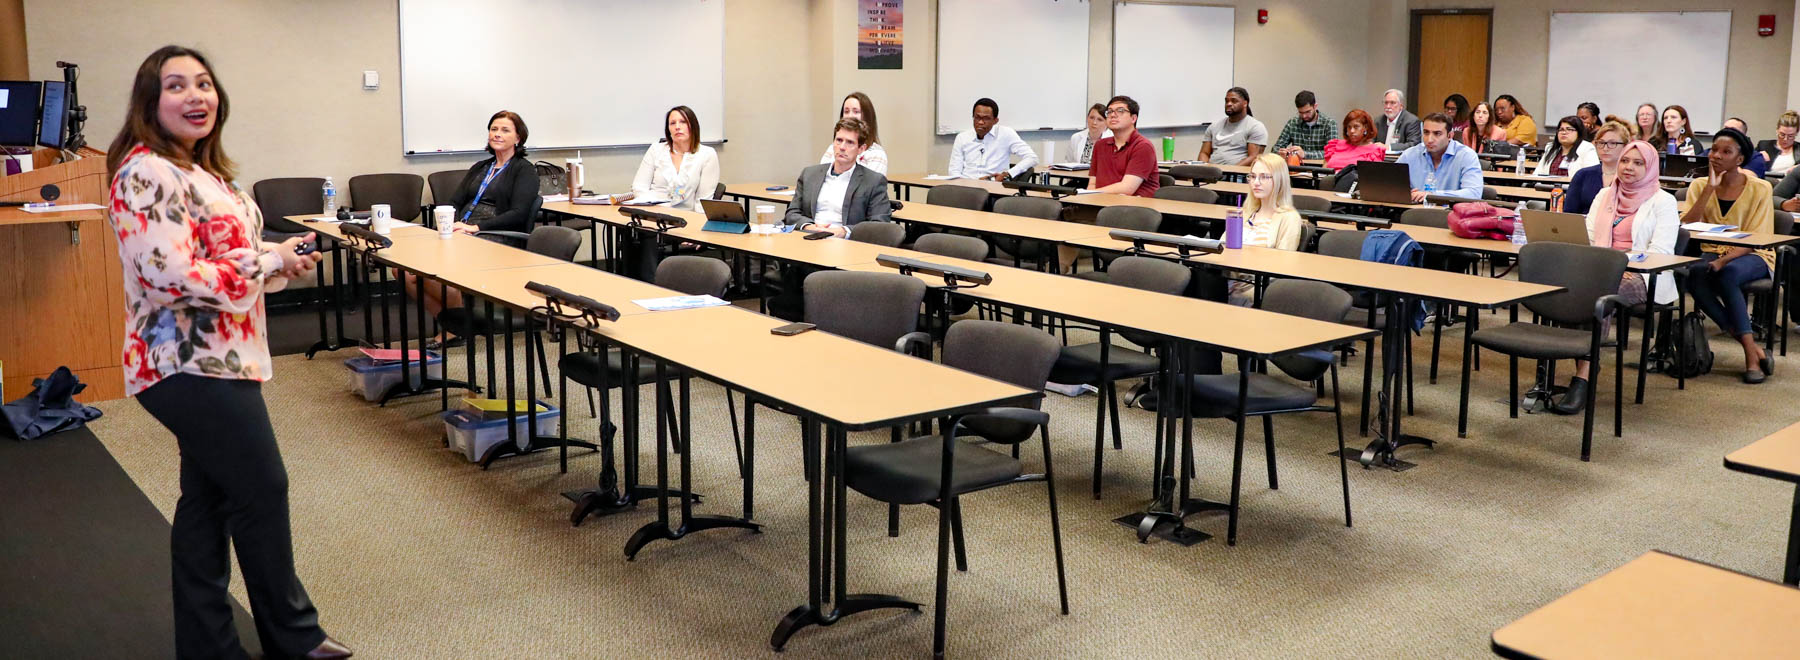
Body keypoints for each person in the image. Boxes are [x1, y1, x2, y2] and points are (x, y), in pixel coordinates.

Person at [103, 46, 349, 660]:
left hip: (226, 356)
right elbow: (171, 276)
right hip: (183, 362)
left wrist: (279, 257)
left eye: (204, 84)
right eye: (177, 86)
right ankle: (295, 637)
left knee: (207, 500)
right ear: (150, 103)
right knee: (261, 486)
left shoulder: (206, 172)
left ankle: (207, 645)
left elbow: (226, 255)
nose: (196, 96)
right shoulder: (145, 173)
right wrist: (267, 259)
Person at [1552, 139, 1679, 413]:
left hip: (1644, 275)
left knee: (1599, 292)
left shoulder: (1664, 201)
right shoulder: (1604, 195)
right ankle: (1583, 361)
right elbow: (1586, 237)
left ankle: (1582, 377)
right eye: (1624, 161)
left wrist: (1613, 262)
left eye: (1638, 163)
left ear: (1650, 167)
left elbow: (1659, 252)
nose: (1629, 168)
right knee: (1571, 287)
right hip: (1599, 268)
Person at [408, 110, 540, 347]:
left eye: (505, 130)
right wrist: (450, 225)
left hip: (496, 234)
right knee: (403, 272)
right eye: (494, 129)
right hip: (464, 230)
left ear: (518, 138)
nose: (497, 134)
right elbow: (456, 201)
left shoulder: (524, 170)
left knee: (432, 267)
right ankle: (456, 325)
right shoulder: (482, 166)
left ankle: (456, 327)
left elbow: (518, 214)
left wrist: (474, 227)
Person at [1680, 127, 1775, 383]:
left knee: (1728, 274)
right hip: (1712, 251)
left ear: (1740, 159)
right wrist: (1709, 189)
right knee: (1693, 274)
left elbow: (1759, 238)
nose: (1717, 156)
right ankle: (1752, 347)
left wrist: (1723, 261)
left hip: (1755, 254)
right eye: (1714, 150)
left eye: (1726, 152)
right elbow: (1687, 225)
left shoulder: (1760, 188)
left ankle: (1750, 356)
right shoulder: (1700, 184)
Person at [785, 117, 892, 237]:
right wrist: (809, 227)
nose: (842, 147)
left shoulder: (873, 181)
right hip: (808, 237)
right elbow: (792, 213)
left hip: (846, 243)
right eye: (839, 140)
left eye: (850, 142)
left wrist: (844, 231)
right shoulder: (809, 174)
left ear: (861, 149)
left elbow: (879, 223)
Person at [1226, 154, 1307, 305]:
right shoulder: (1245, 212)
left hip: (1257, 284)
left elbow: (1283, 266)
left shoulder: (1288, 218)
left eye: (1264, 177)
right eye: (1253, 176)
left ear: (1279, 180)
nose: (1256, 182)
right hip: (1229, 278)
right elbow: (1222, 248)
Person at [629, 105, 720, 211]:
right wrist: (650, 210)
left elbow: (703, 202)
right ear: (668, 129)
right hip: (653, 214)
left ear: (693, 126)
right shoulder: (656, 149)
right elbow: (639, 187)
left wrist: (695, 224)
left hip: (686, 219)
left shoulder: (707, 154)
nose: (677, 127)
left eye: (683, 122)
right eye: (672, 123)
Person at [1395, 112, 1483, 202]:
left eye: (1437, 134)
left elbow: (1474, 194)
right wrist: (1406, 194)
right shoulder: (1409, 155)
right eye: (1426, 132)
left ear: (1450, 136)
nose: (1429, 140)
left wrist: (1432, 195)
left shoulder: (1466, 156)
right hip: (1412, 212)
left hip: (1450, 213)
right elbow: (1390, 187)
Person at [948, 97, 1038, 180]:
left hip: (993, 188)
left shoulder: (1006, 134)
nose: (980, 122)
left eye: (986, 119)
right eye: (977, 117)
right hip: (967, 187)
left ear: (995, 121)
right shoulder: (962, 137)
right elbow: (954, 172)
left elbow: (1032, 158)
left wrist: (1008, 174)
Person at [1087, 95, 1159, 197]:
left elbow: (1127, 188)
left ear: (1133, 118)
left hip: (1135, 208)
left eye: (1120, 111)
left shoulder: (1143, 146)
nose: (1113, 115)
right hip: (1102, 202)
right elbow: (1092, 184)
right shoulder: (1100, 145)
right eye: (1110, 111)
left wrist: (1093, 193)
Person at [1564, 119, 1634, 215]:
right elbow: (1569, 213)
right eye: (1601, 143)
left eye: (1612, 143)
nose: (1605, 148)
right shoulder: (1583, 175)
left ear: (1625, 146)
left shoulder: (1631, 176)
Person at [817, 92, 888, 174]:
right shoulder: (833, 148)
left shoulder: (876, 154)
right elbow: (821, 177)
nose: (850, 116)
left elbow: (870, 185)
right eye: (846, 111)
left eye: (856, 112)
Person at [1200, 87, 1267, 166]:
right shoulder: (1214, 126)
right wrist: (1204, 169)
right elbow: (1204, 153)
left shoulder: (1255, 127)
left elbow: (1254, 157)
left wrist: (1230, 171)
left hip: (1237, 174)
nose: (1229, 104)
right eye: (1226, 101)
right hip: (1212, 173)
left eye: (1234, 101)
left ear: (1245, 103)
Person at [1274, 90, 1337, 161]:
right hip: (1297, 168)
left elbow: (1332, 153)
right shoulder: (1292, 123)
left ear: (1315, 106)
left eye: (1308, 112)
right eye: (1300, 112)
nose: (1304, 116)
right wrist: (1284, 153)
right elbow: (1275, 148)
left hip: (1321, 169)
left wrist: (1304, 154)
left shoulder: (1329, 124)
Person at [1534, 115, 1598, 177]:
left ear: (1579, 132)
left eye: (1569, 129)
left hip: (1572, 187)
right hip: (1547, 187)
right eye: (1561, 129)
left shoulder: (1587, 148)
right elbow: (1537, 172)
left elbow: (1591, 176)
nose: (1564, 132)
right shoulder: (1550, 148)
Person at [1322, 109, 1387, 170]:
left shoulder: (1374, 151)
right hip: (1331, 180)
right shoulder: (1335, 145)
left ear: (1365, 127)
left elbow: (1371, 178)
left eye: (1356, 127)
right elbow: (1324, 171)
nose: (1352, 131)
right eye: (1349, 127)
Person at [1375, 88, 1421, 153]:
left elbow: (1413, 145)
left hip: (1401, 159)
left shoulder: (1411, 121)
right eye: (1386, 103)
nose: (1388, 106)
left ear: (1401, 106)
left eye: (1392, 103)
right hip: (1380, 158)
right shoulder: (1379, 121)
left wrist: (1389, 147)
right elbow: (1371, 141)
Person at [1759, 111, 1799, 179]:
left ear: (1796, 133)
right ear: (1777, 130)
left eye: (1790, 136)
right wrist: (1757, 156)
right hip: (1767, 182)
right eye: (1782, 134)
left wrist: (1798, 168)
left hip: (1790, 185)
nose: (1785, 139)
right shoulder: (1764, 145)